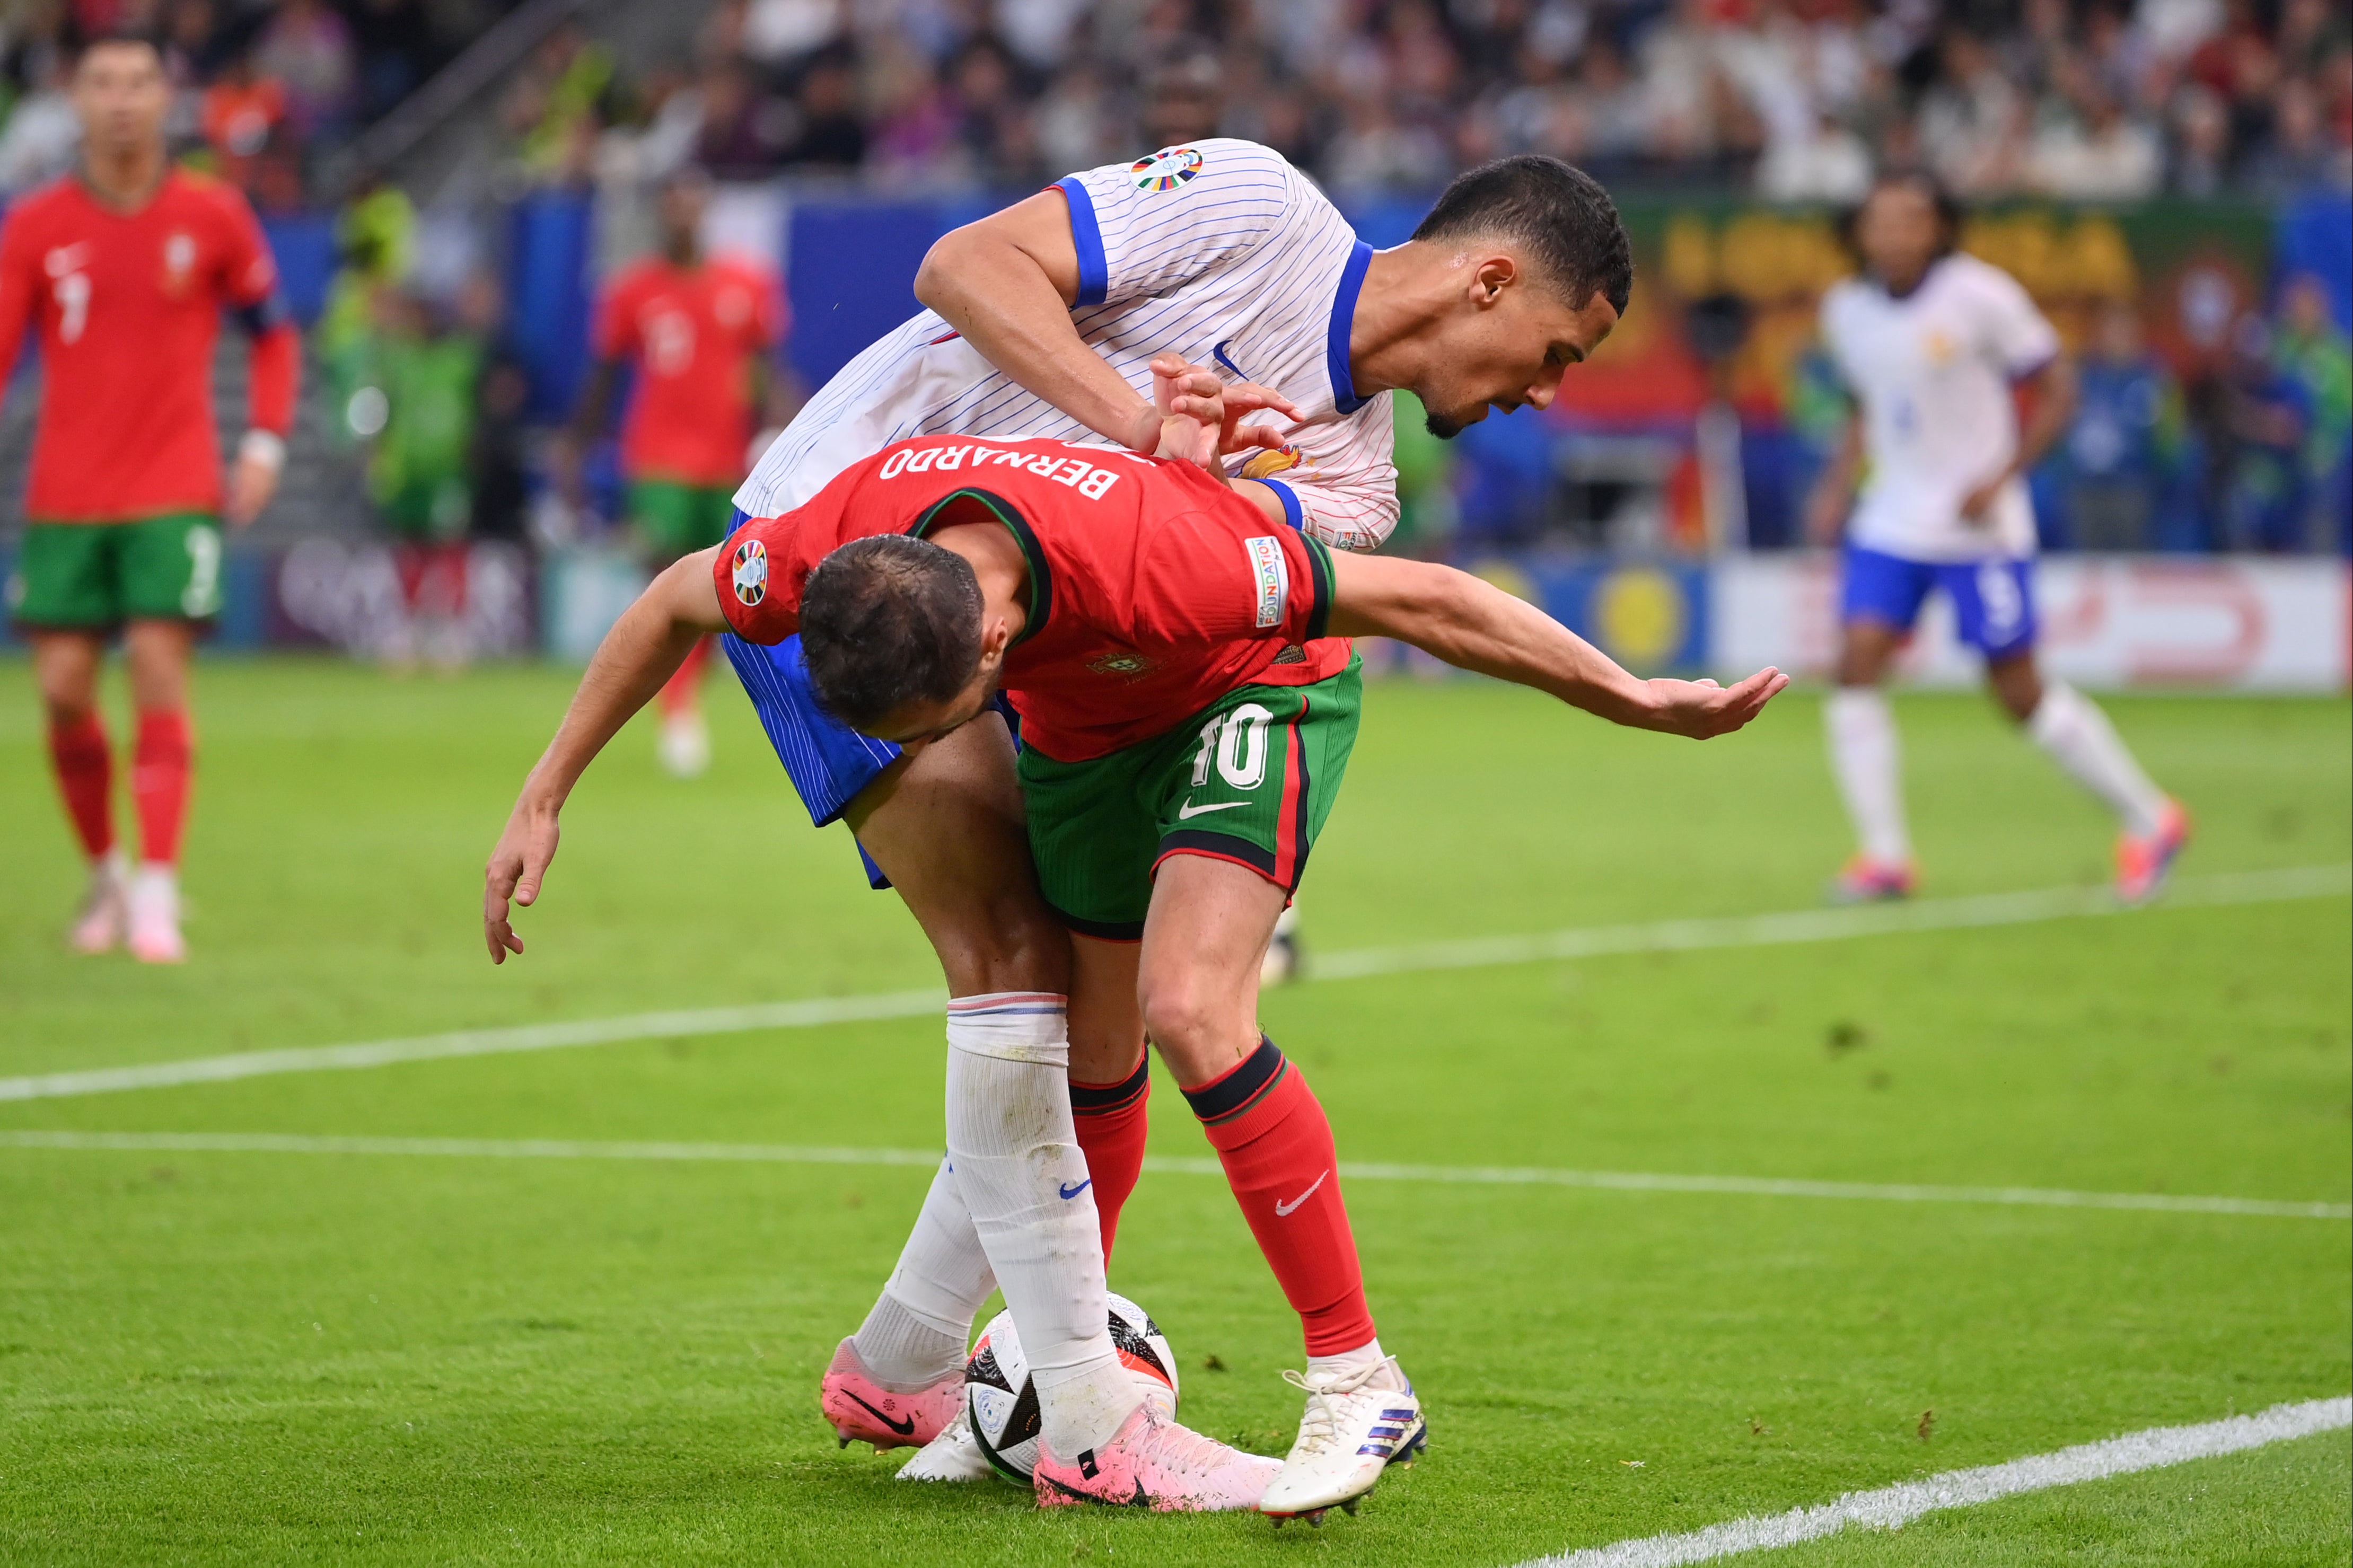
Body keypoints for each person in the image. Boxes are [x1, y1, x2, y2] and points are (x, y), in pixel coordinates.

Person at [480, 417, 1787, 1513]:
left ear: (986, 652)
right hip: (1087, 732)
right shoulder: (840, 542)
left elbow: (1427, 597)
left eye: (931, 734)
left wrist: (1637, 696)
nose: (931, 755)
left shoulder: (1168, 562)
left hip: (1247, 690)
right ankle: (1068, 1391)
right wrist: (544, 792)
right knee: (1089, 1051)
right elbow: (673, 597)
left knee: (1186, 1005)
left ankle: (1356, 1380)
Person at [721, 145, 1634, 1496]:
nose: (1545, 395)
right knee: (1021, 972)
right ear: (1490, 280)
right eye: (1556, 352)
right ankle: (1064, 1400)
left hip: (1024, 638)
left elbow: (1180, 562)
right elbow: (963, 265)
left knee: (1080, 998)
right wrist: (1134, 413)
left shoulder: (1357, 492)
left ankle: (911, 1360)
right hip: (841, 559)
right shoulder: (1256, 203)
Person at [1805, 172, 2187, 906]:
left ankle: (2151, 817)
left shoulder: (1981, 296)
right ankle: (1885, 858)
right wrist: (1836, 481)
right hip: (1890, 519)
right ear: (1859, 230)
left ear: (1938, 227)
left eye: (1911, 220)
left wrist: (2002, 475)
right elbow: (1866, 401)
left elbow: (2058, 389)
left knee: (2017, 692)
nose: (1894, 234)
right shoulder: (1845, 310)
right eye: (1881, 221)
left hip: (1978, 530)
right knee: (1854, 663)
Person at [0, 30, 297, 962]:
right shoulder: (36, 225)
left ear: (167, 97)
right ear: (73, 97)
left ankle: (159, 891)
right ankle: (106, 872)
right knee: (61, 691)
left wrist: (261, 443)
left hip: (174, 488)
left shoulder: (212, 214)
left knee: (161, 671)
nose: (123, 99)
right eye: (103, 82)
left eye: (139, 81)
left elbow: (274, 336)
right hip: (64, 497)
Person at [563, 166, 783, 776]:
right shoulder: (633, 292)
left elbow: (766, 372)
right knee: (664, 574)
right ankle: (678, 709)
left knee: (719, 588)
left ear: (705, 209)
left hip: (726, 461)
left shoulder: (746, 285)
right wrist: (575, 446)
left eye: (694, 203)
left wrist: (781, 434)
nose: (684, 214)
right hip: (656, 458)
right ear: (663, 211)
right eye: (675, 204)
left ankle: (684, 700)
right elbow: (604, 376)